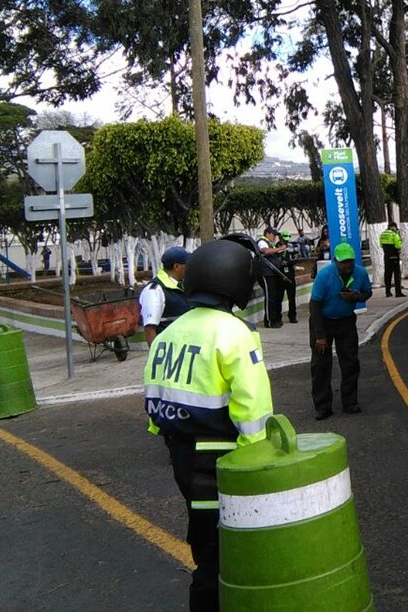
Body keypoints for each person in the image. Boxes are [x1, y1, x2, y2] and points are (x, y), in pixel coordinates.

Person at [144, 237, 272, 612]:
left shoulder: (169, 334)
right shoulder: (235, 333)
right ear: (234, 282)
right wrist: (258, 458)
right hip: (220, 459)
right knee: (225, 547)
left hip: (180, 454)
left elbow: (154, 395)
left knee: (202, 536)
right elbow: (253, 408)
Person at [309, 241, 372, 420]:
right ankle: (323, 407)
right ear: (335, 261)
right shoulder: (325, 275)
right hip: (322, 322)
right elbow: (314, 305)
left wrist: (357, 297)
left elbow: (367, 293)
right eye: (344, 262)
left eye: (350, 261)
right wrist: (320, 336)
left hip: (346, 323)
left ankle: (350, 403)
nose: (348, 265)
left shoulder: (360, 273)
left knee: (351, 363)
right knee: (321, 365)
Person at [139, 245, 191, 345]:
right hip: (168, 351)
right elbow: (150, 329)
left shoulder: (182, 285)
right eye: (187, 264)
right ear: (176, 267)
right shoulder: (155, 291)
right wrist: (155, 357)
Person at [257, 225, 287, 327]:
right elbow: (265, 251)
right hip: (266, 273)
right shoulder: (262, 242)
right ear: (268, 234)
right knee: (270, 297)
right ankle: (269, 321)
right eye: (273, 235)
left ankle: (275, 319)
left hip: (273, 273)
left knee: (274, 296)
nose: (274, 237)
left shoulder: (270, 243)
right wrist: (279, 248)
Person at [379, 221, 405, 297]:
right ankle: (398, 292)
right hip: (394, 256)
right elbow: (398, 246)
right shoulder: (394, 234)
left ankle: (388, 292)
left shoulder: (382, 234)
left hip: (386, 256)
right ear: (393, 227)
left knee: (387, 274)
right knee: (397, 274)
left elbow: (381, 245)